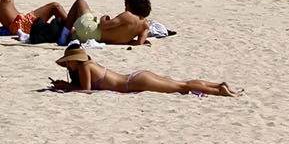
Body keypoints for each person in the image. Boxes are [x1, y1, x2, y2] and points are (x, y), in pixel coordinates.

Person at [50, 45, 237, 96]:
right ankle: (218, 86)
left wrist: (66, 86)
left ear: (74, 60)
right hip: (137, 77)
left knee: (182, 87)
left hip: (135, 82)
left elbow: (86, 90)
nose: (67, 66)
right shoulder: (89, 65)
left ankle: (218, 91)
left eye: (68, 63)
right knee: (182, 83)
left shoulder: (84, 66)